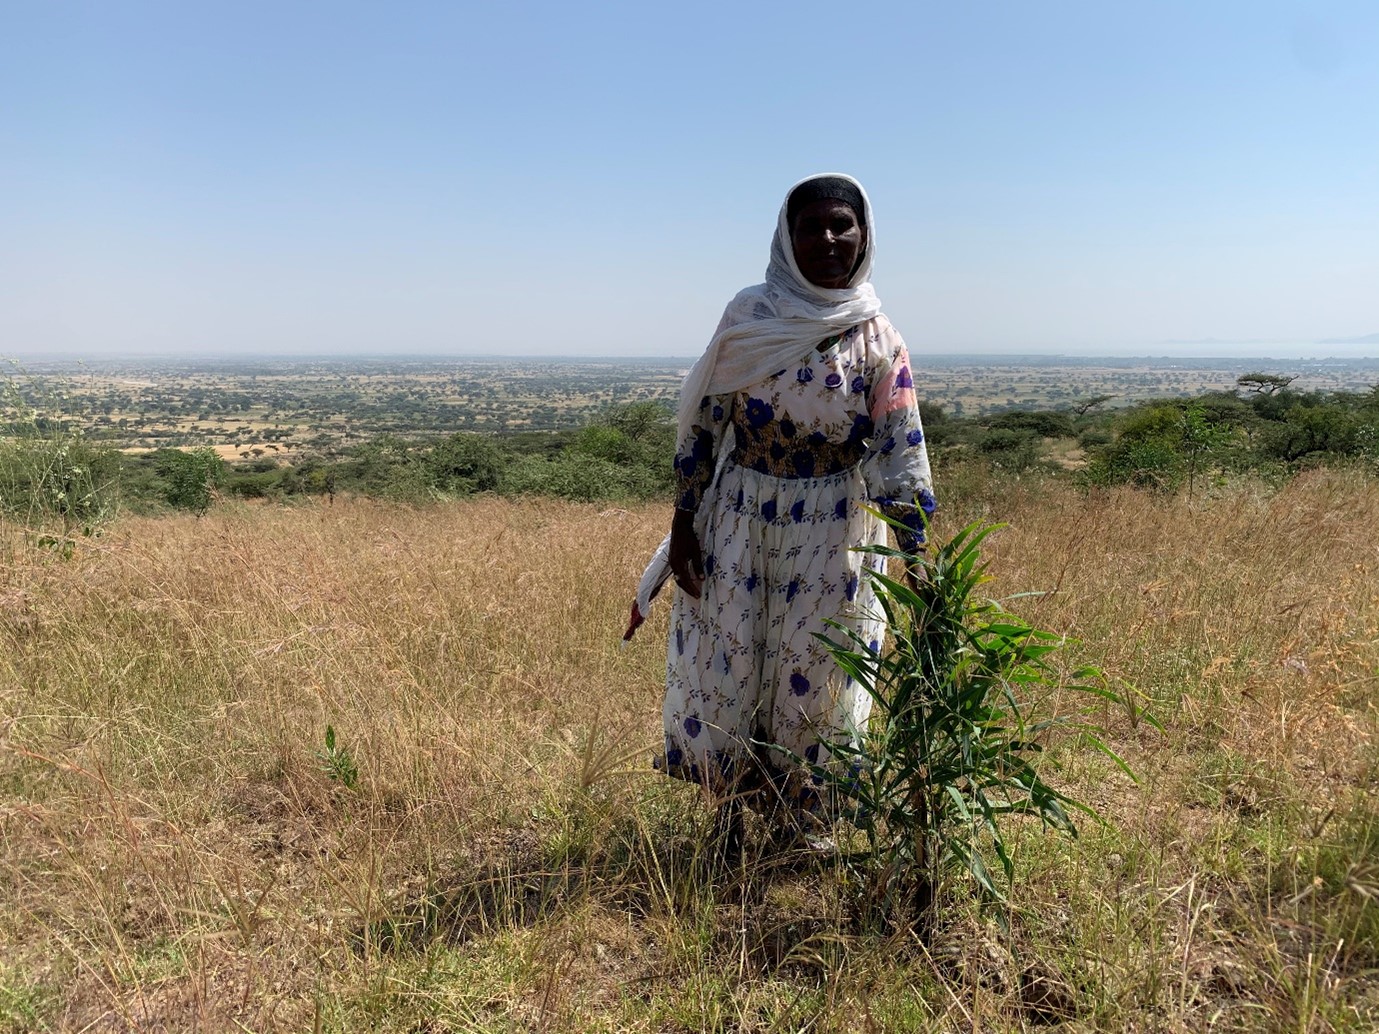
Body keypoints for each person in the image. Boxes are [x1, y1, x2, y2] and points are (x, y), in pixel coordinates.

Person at [628, 173, 935, 847]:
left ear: (864, 235)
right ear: (786, 238)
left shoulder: (877, 337)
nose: (827, 240)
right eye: (811, 227)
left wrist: (919, 564)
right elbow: (703, 423)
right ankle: (729, 821)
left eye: (841, 225)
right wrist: (683, 525)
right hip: (738, 515)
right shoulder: (750, 315)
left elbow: (900, 454)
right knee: (730, 660)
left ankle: (804, 823)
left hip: (835, 527)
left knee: (819, 667)